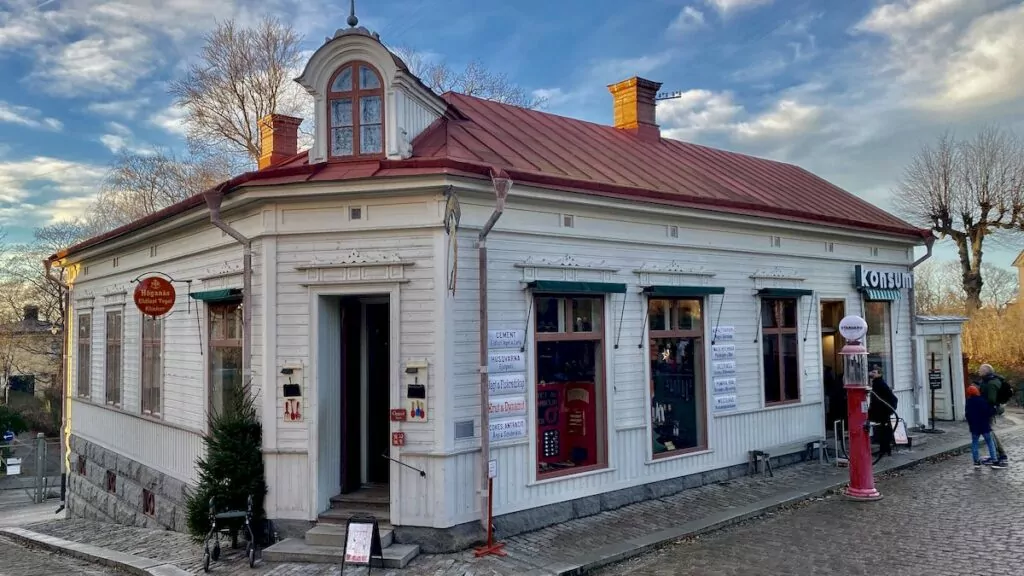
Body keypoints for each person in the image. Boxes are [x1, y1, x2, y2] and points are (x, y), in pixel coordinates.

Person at [977, 363, 1009, 465]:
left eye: (980, 370)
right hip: (990, 410)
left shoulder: (991, 383)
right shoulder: (990, 380)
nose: (978, 371)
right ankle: (999, 454)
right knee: (990, 432)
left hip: (989, 410)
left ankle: (999, 455)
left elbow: (991, 399)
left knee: (989, 433)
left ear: (986, 372)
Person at [965, 385, 1002, 468]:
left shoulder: (968, 402)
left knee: (974, 443)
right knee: (990, 443)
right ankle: (995, 461)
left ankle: (976, 462)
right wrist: (994, 409)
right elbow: (988, 412)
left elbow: (967, 415)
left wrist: (971, 424)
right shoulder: (982, 400)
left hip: (974, 426)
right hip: (984, 425)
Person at [868, 366, 897, 458]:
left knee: (884, 431)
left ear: (880, 374)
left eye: (874, 372)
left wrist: (889, 409)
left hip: (883, 412)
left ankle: (884, 450)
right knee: (883, 430)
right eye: (872, 372)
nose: (872, 374)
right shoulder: (877, 383)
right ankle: (885, 450)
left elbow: (892, 398)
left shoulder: (880, 384)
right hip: (881, 411)